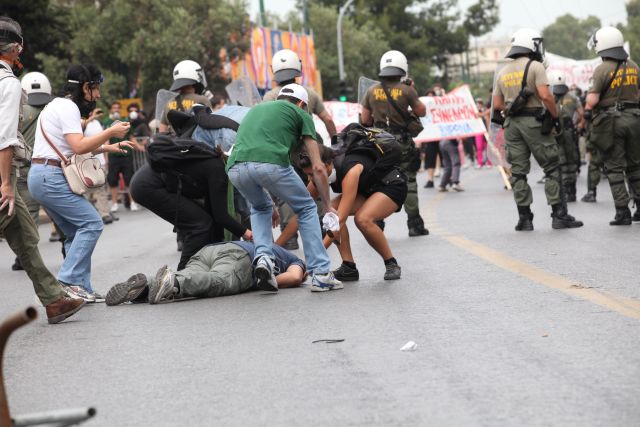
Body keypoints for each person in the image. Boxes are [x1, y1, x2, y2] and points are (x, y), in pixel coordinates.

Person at [0, 16, 85, 322]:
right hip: (2, 175)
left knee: (25, 236)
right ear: (15, 49)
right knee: (24, 233)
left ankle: (53, 300)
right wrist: (6, 184)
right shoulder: (8, 84)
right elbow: (5, 139)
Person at [28, 64, 134, 302]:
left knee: (75, 232)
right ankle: (66, 281)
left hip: (42, 175)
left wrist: (107, 147)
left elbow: (71, 145)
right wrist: (110, 133)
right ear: (85, 87)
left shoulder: (57, 105)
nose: (98, 95)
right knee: (92, 223)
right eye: (95, 89)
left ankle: (82, 288)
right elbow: (78, 147)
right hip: (50, 176)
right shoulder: (68, 107)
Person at [226, 83, 342, 293]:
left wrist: (270, 202)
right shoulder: (300, 112)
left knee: (260, 207)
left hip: (235, 167)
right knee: (306, 208)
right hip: (269, 163)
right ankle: (321, 273)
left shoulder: (257, 109)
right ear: (301, 103)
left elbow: (253, 162)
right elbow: (317, 167)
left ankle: (264, 260)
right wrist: (327, 206)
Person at [492, 28, 583, 231]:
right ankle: (559, 215)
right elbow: (546, 95)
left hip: (512, 125)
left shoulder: (503, 72)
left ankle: (525, 219)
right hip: (533, 121)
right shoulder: (535, 66)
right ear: (531, 45)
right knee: (551, 167)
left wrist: (512, 107)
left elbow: (497, 104)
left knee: (518, 172)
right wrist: (554, 116)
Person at [130, 140, 252, 271]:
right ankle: (180, 279)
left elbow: (215, 216)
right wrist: (249, 234)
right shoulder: (218, 171)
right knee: (200, 225)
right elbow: (221, 216)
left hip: (147, 180)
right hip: (148, 186)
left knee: (206, 222)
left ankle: (203, 270)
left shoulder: (215, 161)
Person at [297, 138, 406, 281]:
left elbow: (339, 221)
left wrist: (313, 261)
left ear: (328, 164)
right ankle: (349, 266)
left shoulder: (350, 171)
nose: (311, 178)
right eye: (308, 175)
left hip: (391, 185)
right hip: (369, 189)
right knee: (333, 210)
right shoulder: (319, 172)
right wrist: (276, 247)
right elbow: (301, 209)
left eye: (312, 174)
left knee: (362, 219)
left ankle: (391, 263)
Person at [263, 49, 338, 250]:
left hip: (284, 150)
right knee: (316, 182)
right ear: (298, 67)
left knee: (286, 189)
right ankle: (325, 224)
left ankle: (289, 235)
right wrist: (336, 140)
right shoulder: (309, 93)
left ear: (274, 70)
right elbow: (327, 119)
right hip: (311, 147)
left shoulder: (270, 96)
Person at [105, 241, 306, 306]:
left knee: (195, 277)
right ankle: (172, 281)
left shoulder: (268, 245)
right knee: (219, 281)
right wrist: (257, 281)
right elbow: (295, 276)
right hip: (239, 257)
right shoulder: (295, 260)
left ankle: (147, 285)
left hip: (210, 250)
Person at [360, 50, 429, 237]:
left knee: (378, 181)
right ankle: (414, 224)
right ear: (402, 68)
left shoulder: (371, 91)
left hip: (379, 141)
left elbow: (365, 119)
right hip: (402, 141)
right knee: (410, 180)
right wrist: (411, 90)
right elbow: (421, 111)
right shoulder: (407, 90)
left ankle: (377, 223)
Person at [584, 27, 640, 225]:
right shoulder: (633, 65)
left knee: (615, 168)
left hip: (612, 122)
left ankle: (622, 212)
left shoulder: (602, 69)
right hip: (634, 119)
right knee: (635, 165)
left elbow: (592, 99)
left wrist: (588, 110)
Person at [9, 71, 53, 271]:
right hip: (44, 166)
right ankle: (67, 246)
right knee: (56, 207)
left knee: (28, 214)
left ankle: (23, 257)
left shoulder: (15, 110)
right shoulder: (50, 110)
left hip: (20, 168)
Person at [548, 70, 583, 203]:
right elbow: (581, 114)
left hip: (556, 133)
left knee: (560, 162)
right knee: (571, 161)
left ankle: (564, 192)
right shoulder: (573, 97)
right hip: (570, 131)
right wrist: (577, 126)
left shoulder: (550, 97)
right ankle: (572, 192)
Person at [102, 101, 142, 212]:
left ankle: (133, 202)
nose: (116, 110)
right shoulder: (107, 122)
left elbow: (131, 137)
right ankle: (114, 203)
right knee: (112, 180)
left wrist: (140, 146)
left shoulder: (125, 121)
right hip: (113, 155)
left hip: (126, 155)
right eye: (114, 108)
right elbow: (106, 140)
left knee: (129, 179)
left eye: (118, 108)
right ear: (111, 110)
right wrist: (106, 157)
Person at [158, 60, 212, 134]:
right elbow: (212, 124)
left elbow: (162, 129)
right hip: (197, 144)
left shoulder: (169, 103)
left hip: (176, 144)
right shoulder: (203, 100)